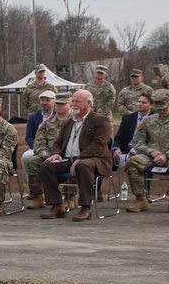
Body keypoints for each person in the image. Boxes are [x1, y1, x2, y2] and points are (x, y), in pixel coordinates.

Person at [38, 90, 113, 222]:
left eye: (77, 101)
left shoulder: (101, 120)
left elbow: (99, 144)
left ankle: (85, 208)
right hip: (69, 160)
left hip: (95, 159)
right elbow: (59, 142)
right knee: (46, 166)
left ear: (89, 103)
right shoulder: (68, 122)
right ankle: (57, 205)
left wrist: (80, 158)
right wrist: (56, 154)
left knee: (84, 165)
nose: (73, 104)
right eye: (72, 101)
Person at [124, 89, 169, 213]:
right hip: (152, 155)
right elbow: (138, 142)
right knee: (132, 162)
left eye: (164, 108)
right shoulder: (148, 121)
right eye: (158, 109)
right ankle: (141, 199)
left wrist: (167, 155)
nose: (161, 112)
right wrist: (151, 152)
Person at [24, 92, 72, 209]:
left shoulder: (75, 122)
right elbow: (38, 141)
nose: (59, 106)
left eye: (63, 104)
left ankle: (69, 197)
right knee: (33, 161)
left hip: (69, 155)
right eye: (58, 104)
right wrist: (43, 153)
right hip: (49, 155)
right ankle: (38, 197)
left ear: (70, 105)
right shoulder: (47, 123)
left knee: (73, 161)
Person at [112, 90, 154, 166]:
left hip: (144, 152)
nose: (140, 104)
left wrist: (135, 151)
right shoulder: (128, 118)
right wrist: (116, 149)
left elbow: (152, 142)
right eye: (139, 101)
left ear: (152, 106)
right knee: (105, 157)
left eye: (144, 102)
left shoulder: (155, 119)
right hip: (125, 150)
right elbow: (119, 137)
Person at [21, 90, 57, 180]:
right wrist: (37, 148)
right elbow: (29, 136)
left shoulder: (58, 115)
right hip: (37, 147)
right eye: (42, 100)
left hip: (55, 148)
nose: (44, 103)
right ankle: (32, 183)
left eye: (47, 100)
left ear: (54, 102)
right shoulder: (33, 117)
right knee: (26, 157)